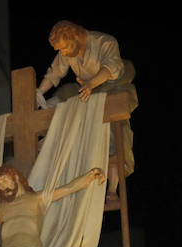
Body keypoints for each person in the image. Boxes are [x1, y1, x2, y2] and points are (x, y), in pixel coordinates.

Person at [35, 20, 136, 197]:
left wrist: (91, 84)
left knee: (116, 133)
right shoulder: (68, 51)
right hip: (87, 89)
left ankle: (112, 189)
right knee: (65, 96)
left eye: (64, 48)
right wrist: (39, 92)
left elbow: (111, 67)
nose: (63, 53)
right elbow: (55, 72)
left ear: (74, 37)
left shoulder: (105, 42)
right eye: (61, 50)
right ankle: (45, 124)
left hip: (112, 87)